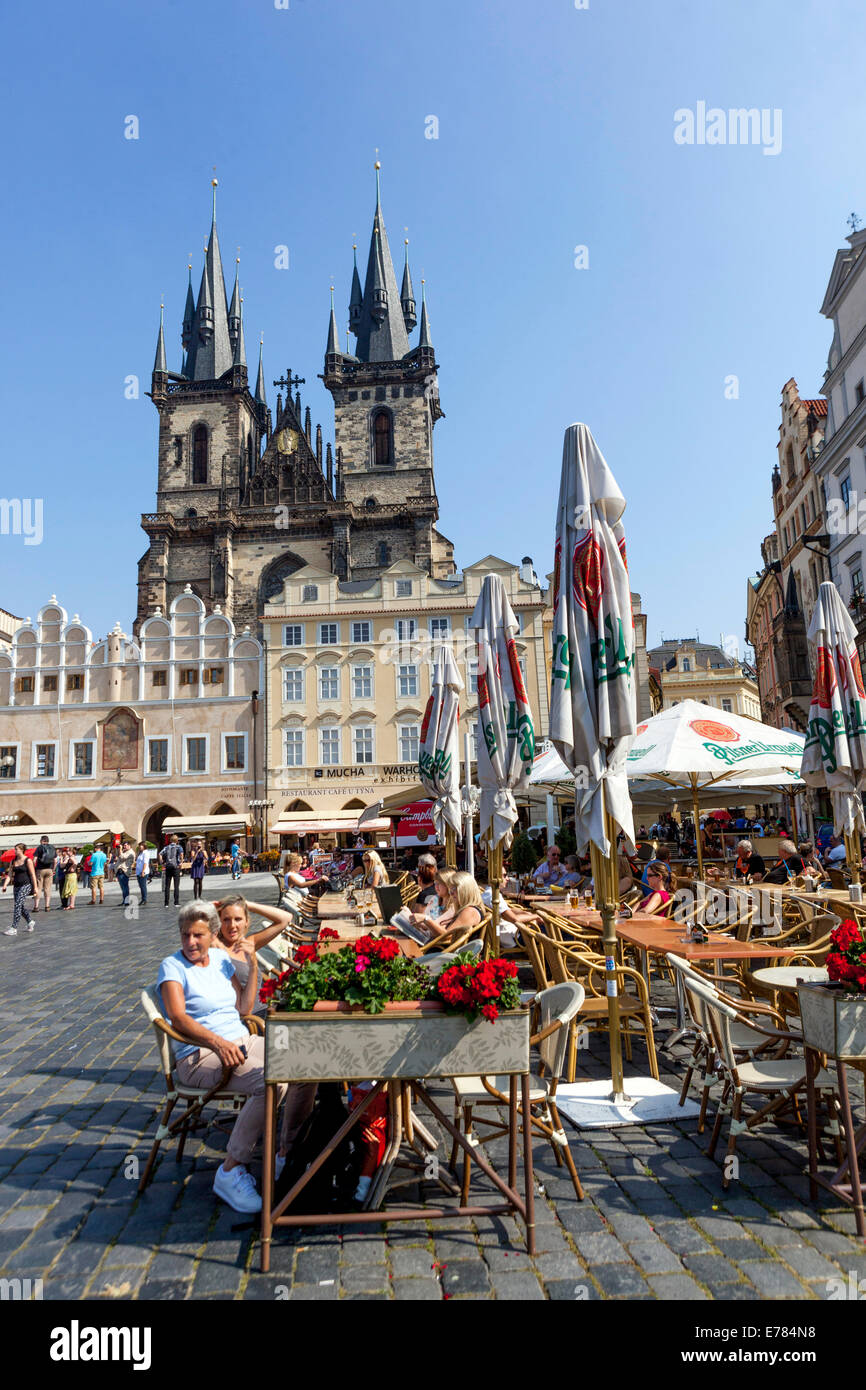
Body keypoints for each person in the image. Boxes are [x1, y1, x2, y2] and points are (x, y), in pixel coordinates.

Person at [157, 901, 286, 1214]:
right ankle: (230, 1169)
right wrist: (216, 1042)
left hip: (239, 1039)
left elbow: (243, 1008)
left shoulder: (219, 959)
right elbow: (177, 1017)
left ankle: (285, 1152)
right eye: (186, 935)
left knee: (298, 1063)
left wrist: (253, 966)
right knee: (272, 1080)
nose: (191, 942)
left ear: (211, 934)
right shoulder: (172, 966)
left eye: (198, 935)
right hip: (199, 1055)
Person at [215, 896, 294, 992]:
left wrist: (248, 905)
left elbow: (285, 918)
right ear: (219, 922)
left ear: (246, 922)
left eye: (238, 919)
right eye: (226, 919)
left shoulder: (248, 943)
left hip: (264, 1004)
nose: (232, 925)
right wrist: (208, 907)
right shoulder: (214, 947)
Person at [2, 844, 38, 935]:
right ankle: (30, 921)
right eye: (15, 849)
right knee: (20, 906)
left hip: (26, 885)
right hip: (16, 886)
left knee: (18, 905)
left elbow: (33, 874)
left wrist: (35, 888)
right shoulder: (13, 861)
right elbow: (10, 874)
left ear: (22, 850)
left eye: (16, 849)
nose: (15, 851)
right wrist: (5, 885)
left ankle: (14, 928)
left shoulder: (28, 860)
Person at [33, 835, 56, 913]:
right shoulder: (52, 847)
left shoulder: (39, 848)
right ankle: (47, 906)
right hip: (49, 870)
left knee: (39, 888)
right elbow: (55, 860)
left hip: (40, 869)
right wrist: (53, 869)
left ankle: (36, 907)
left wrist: (34, 868)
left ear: (41, 840)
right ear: (48, 841)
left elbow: (34, 860)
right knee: (48, 888)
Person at [161, 834, 183, 907]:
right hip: (176, 867)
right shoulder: (179, 847)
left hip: (168, 867)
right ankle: (176, 902)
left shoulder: (166, 847)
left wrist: (162, 863)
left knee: (167, 886)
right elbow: (181, 855)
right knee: (176, 886)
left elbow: (160, 854)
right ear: (177, 841)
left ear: (170, 840)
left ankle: (166, 903)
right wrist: (181, 862)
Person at [115, 840, 135, 907]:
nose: (124, 847)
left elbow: (122, 857)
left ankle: (126, 901)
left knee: (125, 887)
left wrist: (120, 849)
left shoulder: (131, 852)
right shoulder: (124, 851)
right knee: (123, 888)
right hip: (119, 871)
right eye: (123, 845)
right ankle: (124, 901)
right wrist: (118, 849)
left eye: (125, 845)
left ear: (129, 846)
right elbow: (118, 856)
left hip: (124, 872)